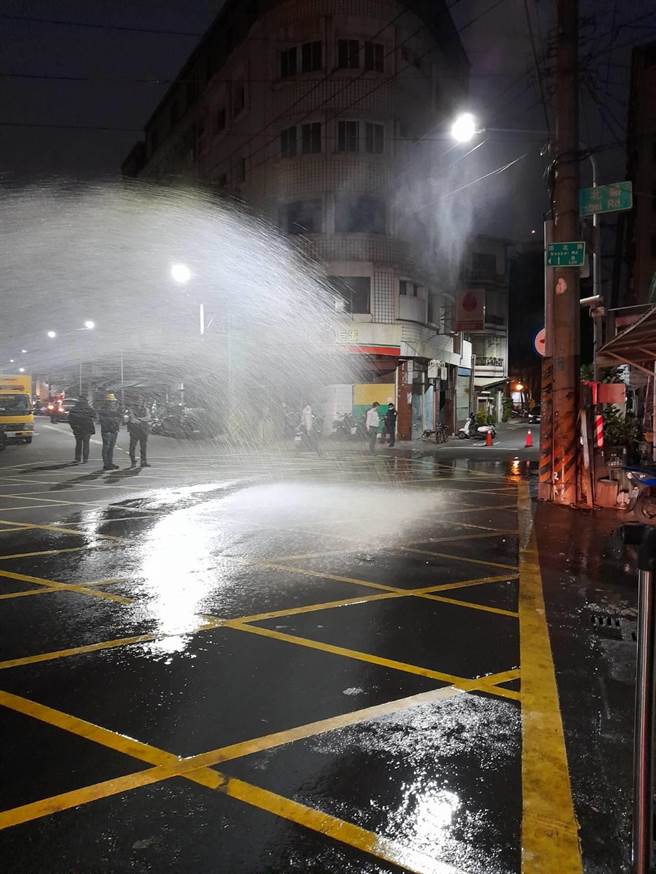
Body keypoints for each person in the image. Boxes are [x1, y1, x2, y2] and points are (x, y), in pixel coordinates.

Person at [98, 392, 122, 471]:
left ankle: (110, 463)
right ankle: (106, 464)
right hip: (107, 430)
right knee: (106, 447)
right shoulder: (103, 410)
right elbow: (102, 420)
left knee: (111, 447)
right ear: (108, 402)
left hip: (113, 430)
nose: (113, 403)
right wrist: (113, 420)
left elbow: (119, 418)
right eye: (112, 401)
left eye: (113, 401)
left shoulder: (114, 410)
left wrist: (117, 420)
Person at [68, 398, 96, 464]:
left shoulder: (74, 409)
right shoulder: (88, 408)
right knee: (86, 444)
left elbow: (70, 419)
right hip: (87, 428)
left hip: (78, 429)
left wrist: (74, 427)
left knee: (78, 444)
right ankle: (85, 459)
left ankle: (77, 458)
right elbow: (94, 416)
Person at [127, 398, 151, 468]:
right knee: (132, 446)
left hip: (143, 430)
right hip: (134, 430)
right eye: (138, 400)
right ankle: (133, 461)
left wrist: (139, 419)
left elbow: (148, 417)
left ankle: (143, 461)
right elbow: (132, 420)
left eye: (141, 400)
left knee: (143, 446)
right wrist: (142, 419)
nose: (140, 402)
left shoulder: (146, 409)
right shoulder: (131, 409)